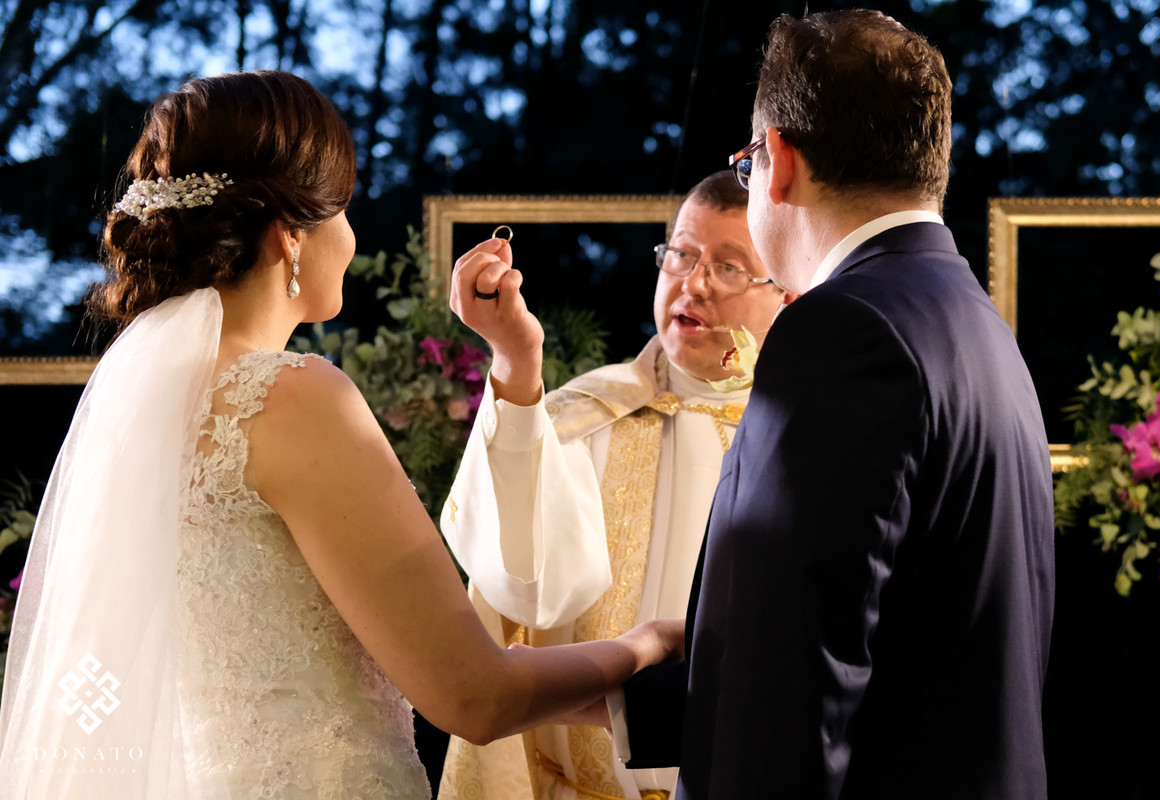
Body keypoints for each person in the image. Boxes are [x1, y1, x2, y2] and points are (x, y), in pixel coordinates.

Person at [0, 70, 680, 800]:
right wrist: (645, 646)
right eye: (344, 209)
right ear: (289, 235)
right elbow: (473, 696)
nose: (352, 237)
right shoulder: (295, 398)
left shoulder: (148, 411)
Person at [618, 10, 1056, 800]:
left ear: (779, 160)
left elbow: (792, 684)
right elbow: (920, 646)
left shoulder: (841, 330)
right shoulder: (981, 326)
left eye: (747, 165)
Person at [437, 171, 798, 800]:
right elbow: (523, 587)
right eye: (681, 255)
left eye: (729, 267)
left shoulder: (805, 439)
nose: (694, 283)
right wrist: (516, 367)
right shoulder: (577, 419)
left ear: (787, 294)